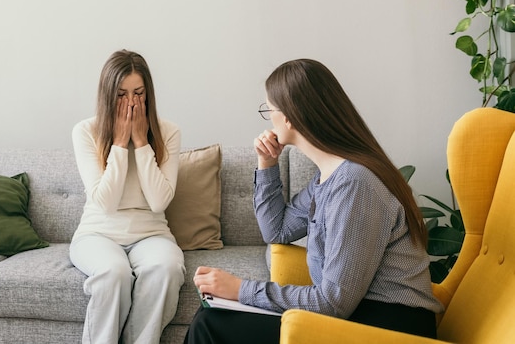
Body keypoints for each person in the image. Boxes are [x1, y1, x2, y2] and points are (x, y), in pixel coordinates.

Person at [184, 58, 444, 343]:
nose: (268, 118)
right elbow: (277, 231)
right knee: (211, 318)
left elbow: (333, 303)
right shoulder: (328, 178)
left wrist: (240, 289)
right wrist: (267, 164)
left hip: (391, 327)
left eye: (268, 110)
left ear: (289, 117)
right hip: (361, 314)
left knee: (211, 325)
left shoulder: (355, 183)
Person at [70, 49, 185, 344]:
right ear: (108, 95)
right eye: (121, 95)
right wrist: (120, 144)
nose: (131, 103)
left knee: (167, 268)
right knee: (113, 273)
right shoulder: (85, 131)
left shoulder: (168, 132)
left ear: (149, 94)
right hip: (98, 233)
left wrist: (141, 142)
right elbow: (105, 203)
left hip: (151, 234)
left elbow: (159, 202)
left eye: (138, 93)